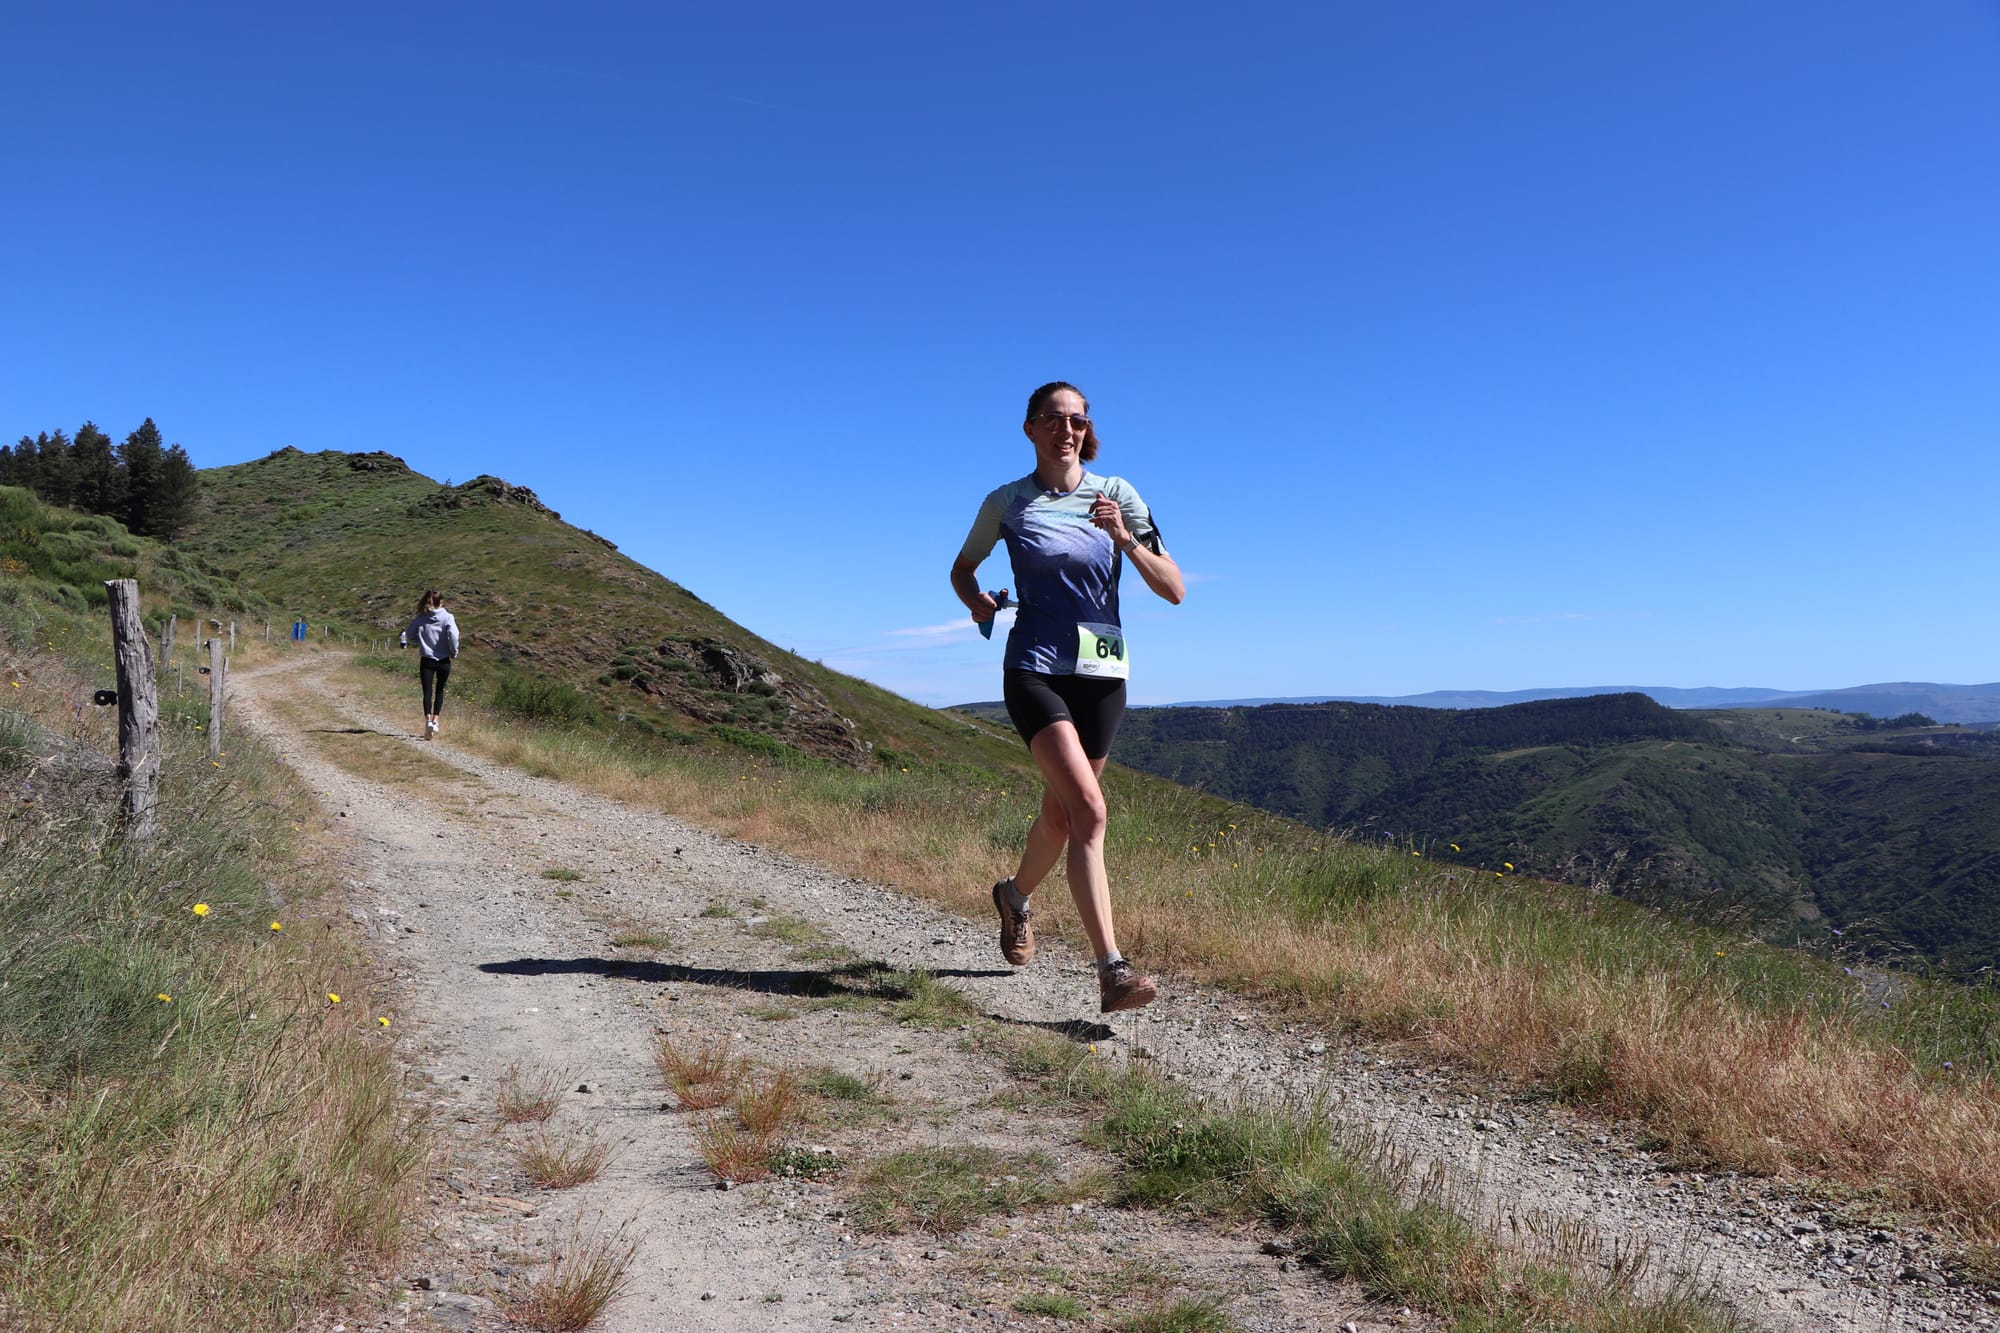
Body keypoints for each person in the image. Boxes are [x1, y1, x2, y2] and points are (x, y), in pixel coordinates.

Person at [950, 382, 1186, 1013]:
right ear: (1030, 428)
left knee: (1061, 817)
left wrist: (1124, 538)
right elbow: (962, 569)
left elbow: (1174, 589)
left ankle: (1013, 897)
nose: (1066, 430)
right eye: (1053, 419)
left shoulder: (1118, 495)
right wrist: (977, 602)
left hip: (1102, 676)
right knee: (1089, 810)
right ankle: (1113, 970)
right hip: (1034, 669)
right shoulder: (1006, 502)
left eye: (1077, 420)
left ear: (1087, 429)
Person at [403, 589, 460, 739]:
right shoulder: (448, 617)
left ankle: (427, 720)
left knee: (427, 691)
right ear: (441, 602)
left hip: (427, 659)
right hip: (444, 660)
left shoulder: (422, 617)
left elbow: (409, 634)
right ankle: (436, 720)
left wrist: (419, 640)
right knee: (440, 690)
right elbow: (454, 636)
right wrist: (454, 651)